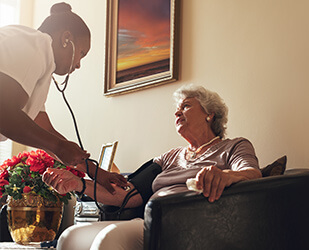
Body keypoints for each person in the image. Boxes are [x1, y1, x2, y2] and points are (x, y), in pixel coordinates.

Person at [42, 84, 262, 250]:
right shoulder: (170, 157)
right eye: (177, 109)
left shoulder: (234, 146)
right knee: (70, 237)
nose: (177, 113)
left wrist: (225, 176)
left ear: (209, 113)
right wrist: (78, 183)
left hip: (195, 222)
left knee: (110, 239)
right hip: (152, 219)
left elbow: (252, 174)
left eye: (186, 106)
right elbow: (128, 195)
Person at [0, 2, 126, 193]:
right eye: (81, 54)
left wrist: (97, 172)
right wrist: (58, 146)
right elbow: (5, 114)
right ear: (66, 39)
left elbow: (46, 131)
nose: (78, 65)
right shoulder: (35, 44)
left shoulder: (39, 63)